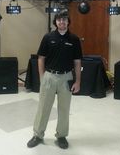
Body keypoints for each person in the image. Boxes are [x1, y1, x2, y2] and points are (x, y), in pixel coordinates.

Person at [27, 10, 82, 149]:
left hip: (66, 77)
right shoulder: (48, 37)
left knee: (64, 108)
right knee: (43, 107)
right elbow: (41, 58)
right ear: (55, 22)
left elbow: (77, 62)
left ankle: (61, 136)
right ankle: (38, 135)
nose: (61, 22)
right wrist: (42, 77)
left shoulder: (74, 39)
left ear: (68, 21)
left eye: (64, 19)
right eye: (59, 19)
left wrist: (78, 81)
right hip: (49, 76)